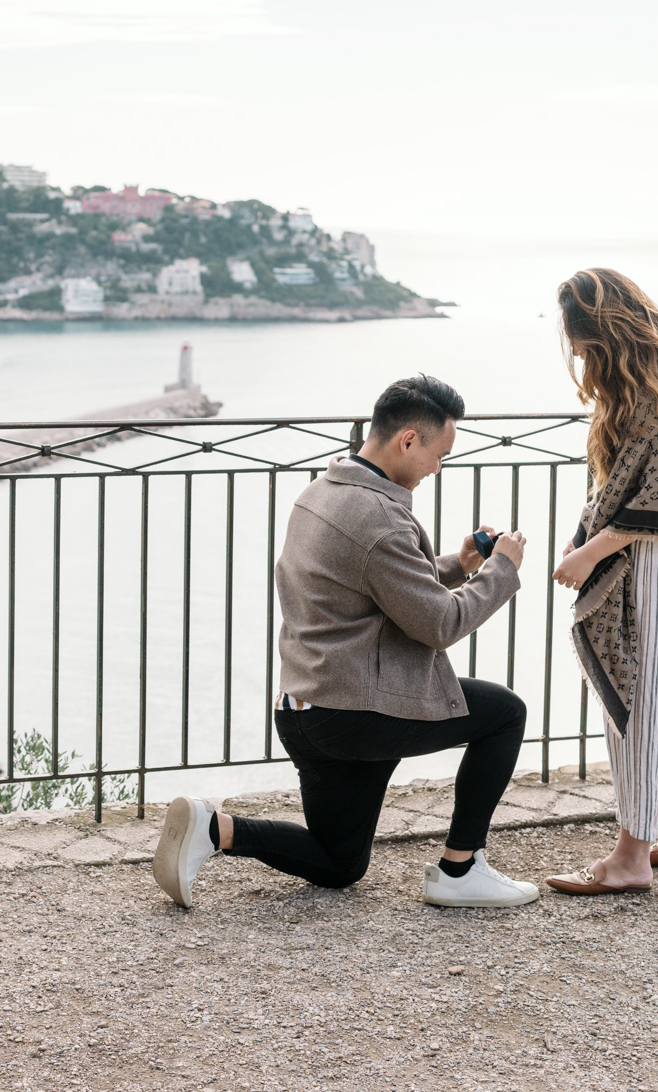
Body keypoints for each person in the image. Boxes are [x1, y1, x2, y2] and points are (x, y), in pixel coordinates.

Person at [151, 374, 540, 909]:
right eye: (439, 454)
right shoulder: (380, 517)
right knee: (505, 713)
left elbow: (378, 584)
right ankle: (460, 867)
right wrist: (502, 570)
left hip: (306, 711)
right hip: (357, 713)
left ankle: (214, 830)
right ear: (409, 440)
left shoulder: (324, 490)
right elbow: (439, 625)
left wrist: (459, 565)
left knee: (339, 863)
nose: (437, 468)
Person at [545, 268, 658, 895]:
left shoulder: (655, 399)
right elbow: (628, 488)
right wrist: (583, 537)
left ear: (603, 334)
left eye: (580, 341)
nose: (575, 353)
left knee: (644, 705)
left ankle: (630, 857)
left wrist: (588, 553)